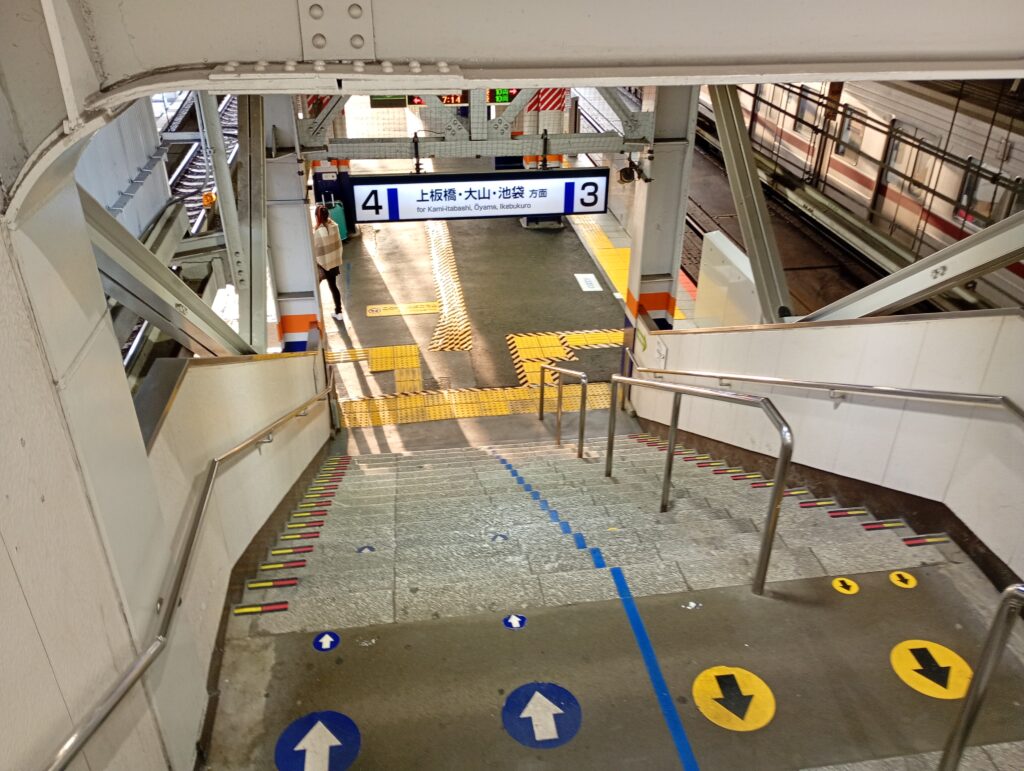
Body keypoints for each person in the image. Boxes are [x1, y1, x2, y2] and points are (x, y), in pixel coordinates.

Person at [312, 204, 344, 320]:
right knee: (333, 286)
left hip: (323, 264)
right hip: (333, 261)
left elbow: (316, 249)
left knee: (314, 287)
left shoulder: (319, 231)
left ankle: (313, 313)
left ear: (317, 216)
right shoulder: (334, 226)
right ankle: (339, 312)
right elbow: (338, 244)